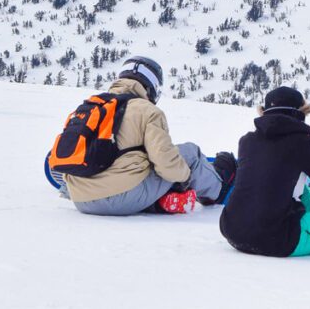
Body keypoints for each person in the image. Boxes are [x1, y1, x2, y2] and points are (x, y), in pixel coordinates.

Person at [60, 56, 237, 216]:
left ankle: (158, 202)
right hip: (121, 197)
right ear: (151, 87)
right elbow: (166, 163)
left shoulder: (92, 106)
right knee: (190, 153)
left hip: (80, 199)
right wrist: (185, 179)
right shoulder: (148, 111)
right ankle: (218, 190)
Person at [220, 86, 310, 257]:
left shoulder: (247, 141)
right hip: (277, 239)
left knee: (299, 187)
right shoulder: (303, 142)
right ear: (300, 113)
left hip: (232, 230)